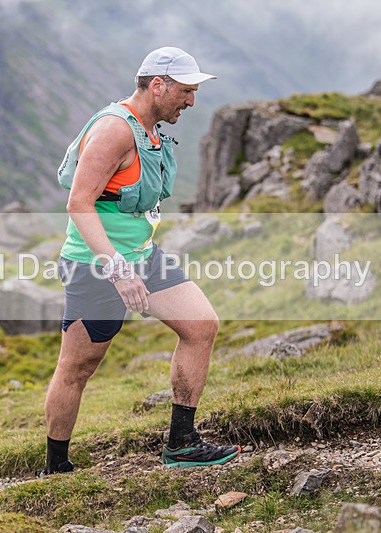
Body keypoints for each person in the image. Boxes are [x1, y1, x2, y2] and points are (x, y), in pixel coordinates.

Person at [42, 47, 240, 476]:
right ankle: (55, 467)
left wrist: (134, 263)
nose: (190, 102)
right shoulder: (116, 130)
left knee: (201, 326)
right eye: (185, 92)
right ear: (157, 85)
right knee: (78, 368)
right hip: (97, 266)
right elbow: (79, 203)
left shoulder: (150, 128)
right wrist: (116, 268)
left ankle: (182, 443)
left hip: (143, 257)